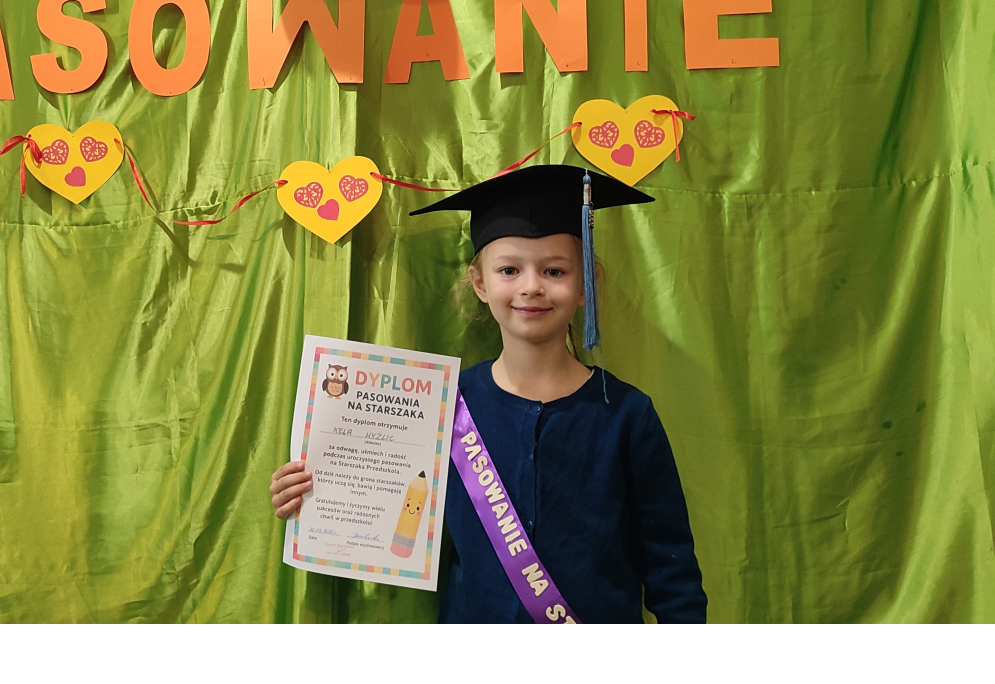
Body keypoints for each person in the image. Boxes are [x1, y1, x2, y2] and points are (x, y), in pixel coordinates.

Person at [270, 164, 706, 623]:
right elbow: (388, 505)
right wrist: (315, 496)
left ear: (585, 285)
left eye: (554, 270)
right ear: (480, 284)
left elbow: (671, 567)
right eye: (509, 270)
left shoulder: (627, 414)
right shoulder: (444, 405)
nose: (531, 286)